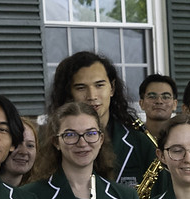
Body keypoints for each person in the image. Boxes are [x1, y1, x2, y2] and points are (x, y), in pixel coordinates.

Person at [51, 50, 157, 189]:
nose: (92, 96)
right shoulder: (51, 145)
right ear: (69, 93)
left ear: (112, 88)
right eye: (81, 88)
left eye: (99, 85)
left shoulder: (141, 143)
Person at [138, 73, 179, 142]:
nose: (159, 101)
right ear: (141, 103)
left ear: (175, 104)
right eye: (152, 97)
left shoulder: (182, 136)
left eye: (165, 97)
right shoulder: (132, 137)